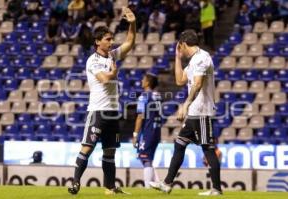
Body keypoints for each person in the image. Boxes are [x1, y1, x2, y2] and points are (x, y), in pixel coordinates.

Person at [68, 7, 136, 195]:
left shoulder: (113, 55)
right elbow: (105, 79)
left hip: (113, 112)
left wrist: (133, 23)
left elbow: (130, 42)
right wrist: (113, 73)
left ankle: (110, 188)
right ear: (98, 42)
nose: (111, 42)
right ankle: (75, 182)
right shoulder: (93, 60)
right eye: (108, 39)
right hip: (98, 111)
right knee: (87, 148)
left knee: (110, 152)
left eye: (111, 39)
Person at [149, 29, 222, 196]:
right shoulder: (194, 60)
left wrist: (185, 105)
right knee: (180, 143)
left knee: (208, 149)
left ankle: (216, 189)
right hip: (195, 112)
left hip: (202, 111)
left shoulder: (202, 58)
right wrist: (177, 58)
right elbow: (180, 80)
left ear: (182, 43)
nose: (179, 48)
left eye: (179, 47)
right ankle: (167, 184)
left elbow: (197, 84)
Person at [132, 73, 162, 188]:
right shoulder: (157, 95)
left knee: (145, 159)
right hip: (157, 131)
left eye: (143, 79)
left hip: (148, 131)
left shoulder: (144, 96)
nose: (141, 81)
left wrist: (135, 134)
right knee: (148, 158)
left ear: (148, 82)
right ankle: (158, 184)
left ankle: (147, 188)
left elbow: (140, 116)